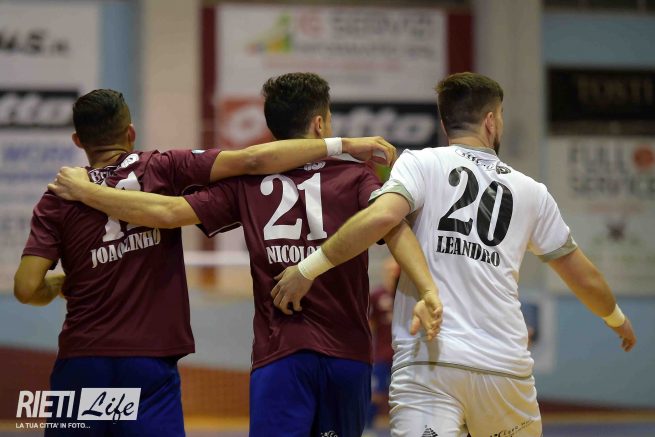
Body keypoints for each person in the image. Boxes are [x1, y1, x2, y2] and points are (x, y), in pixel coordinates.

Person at [47, 74, 441, 437]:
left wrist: (88, 192)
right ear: (320, 124)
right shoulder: (356, 176)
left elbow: (166, 213)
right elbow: (393, 226)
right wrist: (427, 290)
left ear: (272, 129)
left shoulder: (247, 184)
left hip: (280, 354)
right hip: (347, 353)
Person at [271, 72, 637, 437]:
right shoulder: (532, 191)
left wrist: (308, 269)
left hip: (430, 361)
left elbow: (382, 218)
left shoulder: (420, 163)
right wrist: (615, 318)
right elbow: (583, 276)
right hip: (504, 369)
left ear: (446, 123)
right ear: (491, 121)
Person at [365, 257, 400, 434]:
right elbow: (369, 325)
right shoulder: (377, 295)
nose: (393, 274)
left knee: (399, 394)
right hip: (381, 355)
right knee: (377, 392)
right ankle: (368, 427)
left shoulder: (407, 295)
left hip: (402, 355)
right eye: (391, 270)